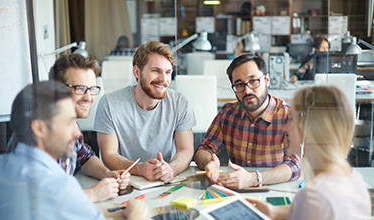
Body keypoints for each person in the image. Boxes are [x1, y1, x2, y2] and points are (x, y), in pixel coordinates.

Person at [0, 81, 147, 220]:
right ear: (39, 128)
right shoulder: (60, 189)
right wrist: (136, 215)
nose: (78, 133)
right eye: (68, 123)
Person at [247, 86, 371, 220]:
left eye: (292, 119)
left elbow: (316, 206)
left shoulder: (313, 196)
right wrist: (273, 212)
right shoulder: (354, 179)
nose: (286, 127)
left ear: (309, 128)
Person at [94, 41, 196, 183]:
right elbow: (109, 154)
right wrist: (140, 169)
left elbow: (185, 150)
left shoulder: (180, 102)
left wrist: (172, 168)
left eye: (168, 72)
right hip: (126, 181)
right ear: (137, 72)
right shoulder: (109, 103)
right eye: (156, 71)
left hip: (163, 182)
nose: (163, 79)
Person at [194, 54, 301, 190]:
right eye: (239, 84)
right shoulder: (227, 113)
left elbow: (295, 166)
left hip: (275, 188)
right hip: (235, 190)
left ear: (267, 80)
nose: (247, 90)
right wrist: (209, 163)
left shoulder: (288, 116)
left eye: (253, 81)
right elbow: (204, 149)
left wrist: (253, 179)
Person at [48, 54, 131, 202]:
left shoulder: (70, 122)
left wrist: (108, 173)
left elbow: (84, 157)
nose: (89, 97)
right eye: (80, 89)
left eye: (92, 89)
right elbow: (44, 198)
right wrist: (93, 194)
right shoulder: (44, 132)